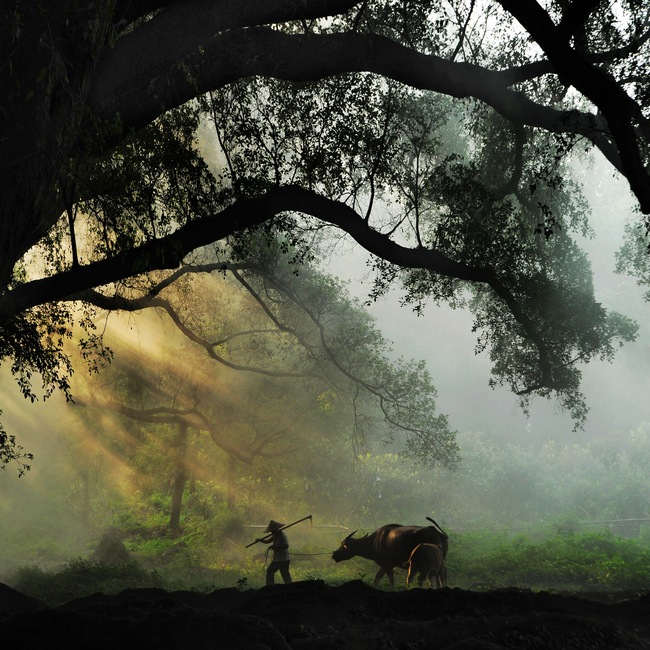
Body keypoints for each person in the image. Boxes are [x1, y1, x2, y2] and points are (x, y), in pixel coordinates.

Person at [257, 519, 292, 585]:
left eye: (272, 531)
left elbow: (286, 546)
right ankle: (270, 586)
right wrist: (260, 540)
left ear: (275, 529)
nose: (271, 532)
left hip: (283, 559)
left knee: (284, 575)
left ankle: (289, 588)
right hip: (277, 559)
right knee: (270, 571)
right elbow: (268, 541)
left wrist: (275, 547)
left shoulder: (282, 536)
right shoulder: (275, 535)